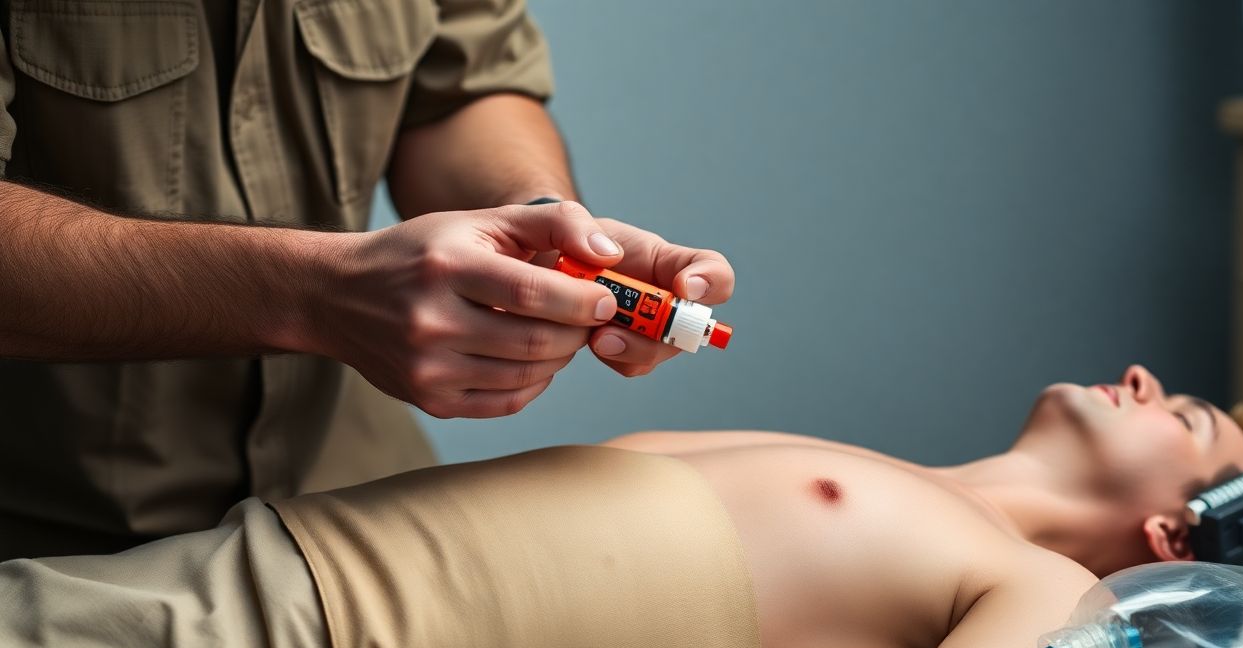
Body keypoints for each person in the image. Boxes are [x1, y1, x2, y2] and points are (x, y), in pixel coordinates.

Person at [0, 365, 1243, 648]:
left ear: (1176, 538)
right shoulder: (895, 476)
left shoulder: (1052, 604)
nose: (1146, 376)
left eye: (1179, 415)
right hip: (253, 573)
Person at [0, 0, 733, 560]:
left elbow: (462, 87)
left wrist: (538, 223)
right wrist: (312, 298)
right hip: (59, 550)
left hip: (361, 505)